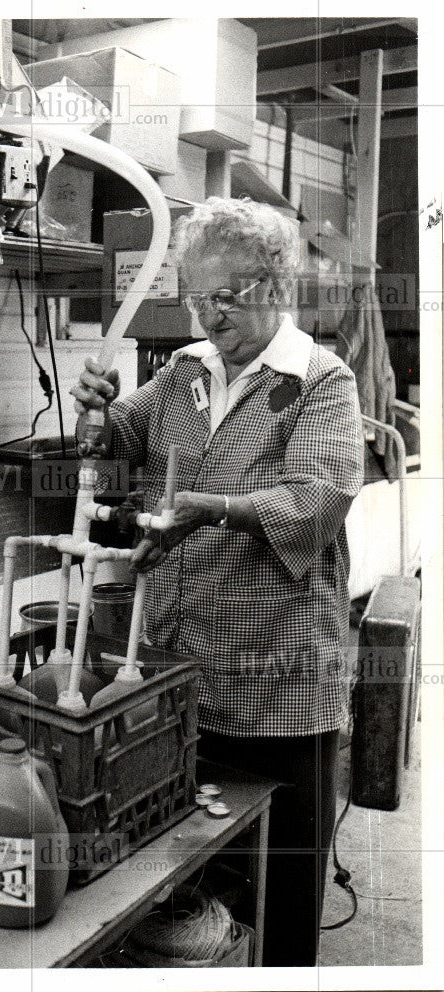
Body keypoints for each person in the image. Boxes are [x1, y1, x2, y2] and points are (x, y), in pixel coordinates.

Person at [71, 197, 364, 966]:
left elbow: (316, 500)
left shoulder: (318, 381)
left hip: (278, 667)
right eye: (195, 298)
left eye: (224, 298)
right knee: (198, 855)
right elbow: (118, 439)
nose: (206, 316)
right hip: (182, 653)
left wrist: (212, 508)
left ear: (273, 285)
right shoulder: (184, 372)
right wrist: (96, 413)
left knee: (284, 865)